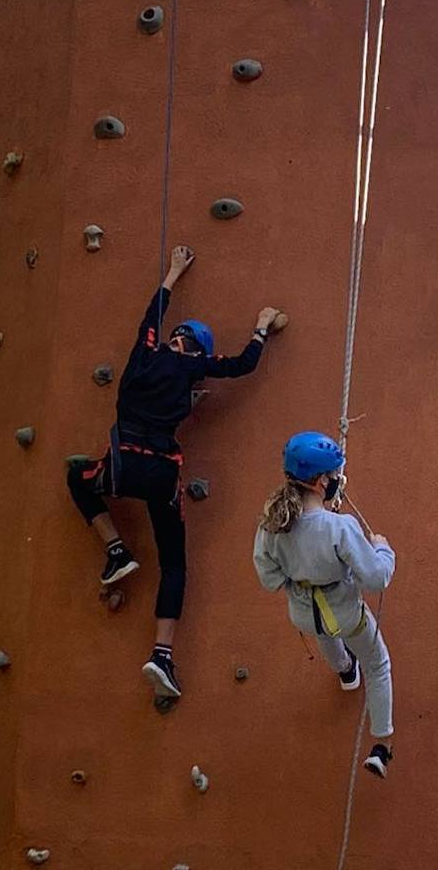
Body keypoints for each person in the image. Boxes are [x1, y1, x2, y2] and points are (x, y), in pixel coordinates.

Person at [68, 243, 281, 700]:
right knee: (175, 564)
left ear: (174, 336)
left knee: (77, 478)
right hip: (162, 475)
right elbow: (242, 365)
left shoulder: (146, 355)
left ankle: (117, 550)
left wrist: (174, 271)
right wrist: (261, 329)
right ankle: (162, 654)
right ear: (198, 352)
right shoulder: (194, 367)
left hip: (120, 468)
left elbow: (152, 314)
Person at [253, 431, 397, 777]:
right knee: (377, 665)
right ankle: (381, 746)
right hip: (347, 614)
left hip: (304, 614)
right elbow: (376, 578)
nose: (338, 480)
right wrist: (382, 549)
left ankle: (346, 672)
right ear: (321, 482)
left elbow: (268, 578)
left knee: (324, 633)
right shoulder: (340, 527)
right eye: (334, 475)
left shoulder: (272, 524)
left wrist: (297, 579)